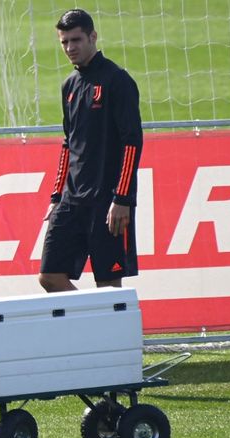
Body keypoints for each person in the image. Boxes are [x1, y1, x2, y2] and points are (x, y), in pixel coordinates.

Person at [39, 9, 143, 292]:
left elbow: (132, 142)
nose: (70, 48)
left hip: (108, 201)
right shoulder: (69, 85)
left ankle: (115, 336)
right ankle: (90, 330)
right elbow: (68, 143)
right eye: (64, 42)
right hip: (71, 200)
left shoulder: (117, 81)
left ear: (92, 37)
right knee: (49, 275)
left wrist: (122, 198)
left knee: (108, 286)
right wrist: (56, 196)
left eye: (76, 40)